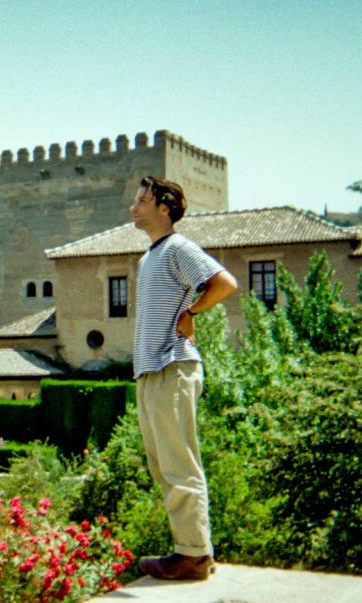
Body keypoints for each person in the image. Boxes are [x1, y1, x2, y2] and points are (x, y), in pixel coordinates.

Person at [129, 176, 237, 581]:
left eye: (142, 201)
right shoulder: (149, 257)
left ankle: (192, 555)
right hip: (152, 370)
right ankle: (192, 547)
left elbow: (224, 283)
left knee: (178, 463)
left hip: (173, 365)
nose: (133, 207)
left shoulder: (178, 247)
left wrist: (191, 312)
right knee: (163, 465)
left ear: (164, 208)